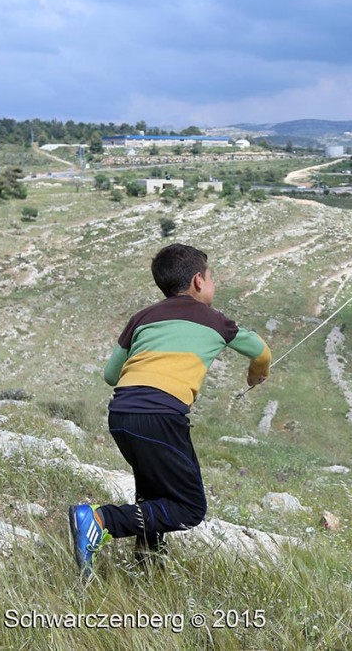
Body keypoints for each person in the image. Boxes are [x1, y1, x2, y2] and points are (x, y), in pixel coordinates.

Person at [69, 243, 270, 579]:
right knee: (190, 508)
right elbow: (261, 351)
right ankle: (99, 520)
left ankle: (149, 563)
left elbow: (109, 375)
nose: (213, 283)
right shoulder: (215, 320)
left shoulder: (143, 317)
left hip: (121, 414)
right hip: (161, 415)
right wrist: (256, 374)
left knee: (153, 491)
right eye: (212, 277)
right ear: (197, 281)